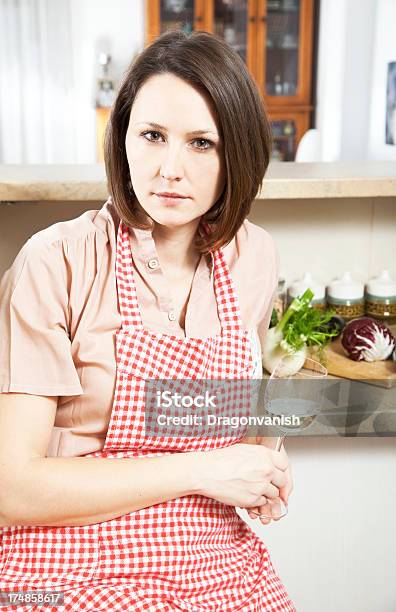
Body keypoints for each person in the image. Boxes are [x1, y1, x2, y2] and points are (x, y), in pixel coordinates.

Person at [0, 30, 295, 611]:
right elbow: (13, 486)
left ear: (238, 152)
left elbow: (236, 414)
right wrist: (203, 469)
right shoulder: (57, 261)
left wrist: (265, 459)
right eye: (153, 136)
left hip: (214, 559)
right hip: (70, 558)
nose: (169, 169)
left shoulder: (255, 257)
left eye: (202, 144)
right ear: (124, 138)